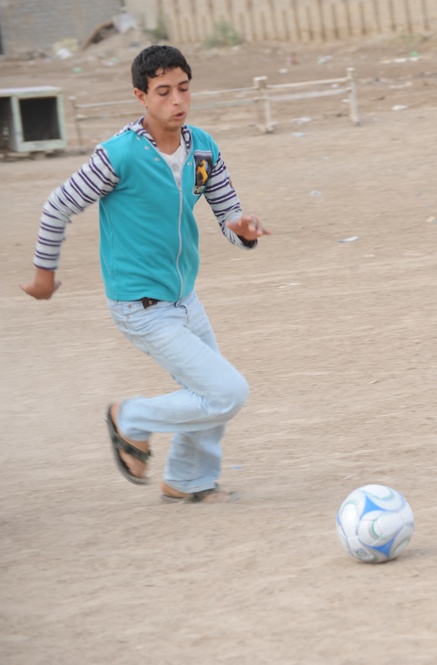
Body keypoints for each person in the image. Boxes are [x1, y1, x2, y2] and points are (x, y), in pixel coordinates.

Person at [20, 45, 270, 504]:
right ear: (141, 96)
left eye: (183, 89)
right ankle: (129, 419)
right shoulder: (117, 156)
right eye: (163, 92)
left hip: (184, 298)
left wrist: (242, 228)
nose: (177, 101)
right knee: (227, 393)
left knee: (209, 390)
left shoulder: (203, 148)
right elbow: (57, 205)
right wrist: (43, 277)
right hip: (141, 306)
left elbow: (229, 214)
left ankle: (188, 479)